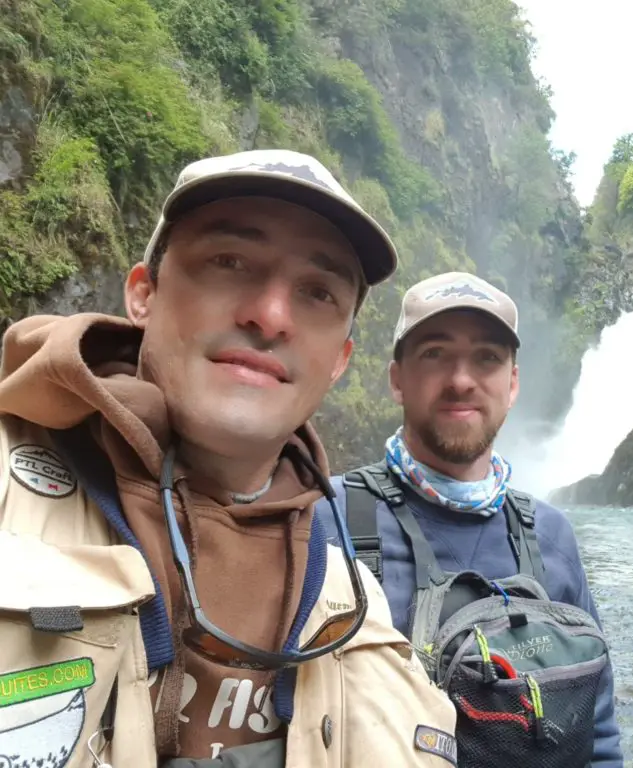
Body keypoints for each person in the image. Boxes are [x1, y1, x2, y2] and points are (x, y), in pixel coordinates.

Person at [0, 148, 457, 766]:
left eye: (317, 292)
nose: (269, 316)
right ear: (144, 295)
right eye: (229, 261)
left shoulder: (357, 602)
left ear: (341, 361)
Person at [316, 272, 625, 767]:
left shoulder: (551, 535)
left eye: (487, 357)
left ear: (513, 383)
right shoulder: (324, 519)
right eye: (435, 354)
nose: (462, 379)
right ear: (397, 378)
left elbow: (598, 731)